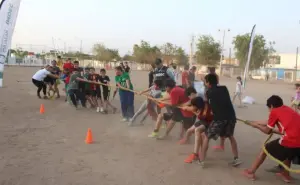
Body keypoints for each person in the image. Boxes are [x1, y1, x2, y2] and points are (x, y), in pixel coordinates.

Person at [243, 95, 300, 183]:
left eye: (269, 108)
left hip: (290, 141)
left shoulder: (274, 112)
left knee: (264, 149)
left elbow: (267, 131)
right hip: (298, 142)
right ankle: (285, 175)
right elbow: (269, 122)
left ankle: (251, 172)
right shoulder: (287, 109)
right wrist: (254, 122)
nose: (269, 110)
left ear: (272, 106)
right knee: (288, 154)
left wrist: (256, 126)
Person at [200, 73, 242, 167]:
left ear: (208, 82)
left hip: (219, 118)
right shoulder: (224, 88)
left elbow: (207, 104)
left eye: (205, 81)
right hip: (231, 117)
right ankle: (236, 158)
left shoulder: (208, 92)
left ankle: (201, 160)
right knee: (231, 136)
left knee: (207, 136)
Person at [183, 96, 213, 164]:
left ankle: (196, 154)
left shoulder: (206, 107)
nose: (193, 106)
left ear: (197, 105)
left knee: (198, 131)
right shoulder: (201, 104)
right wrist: (186, 107)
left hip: (208, 123)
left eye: (194, 105)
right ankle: (187, 141)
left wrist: (192, 110)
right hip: (203, 121)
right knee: (189, 130)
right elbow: (191, 106)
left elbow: (200, 116)